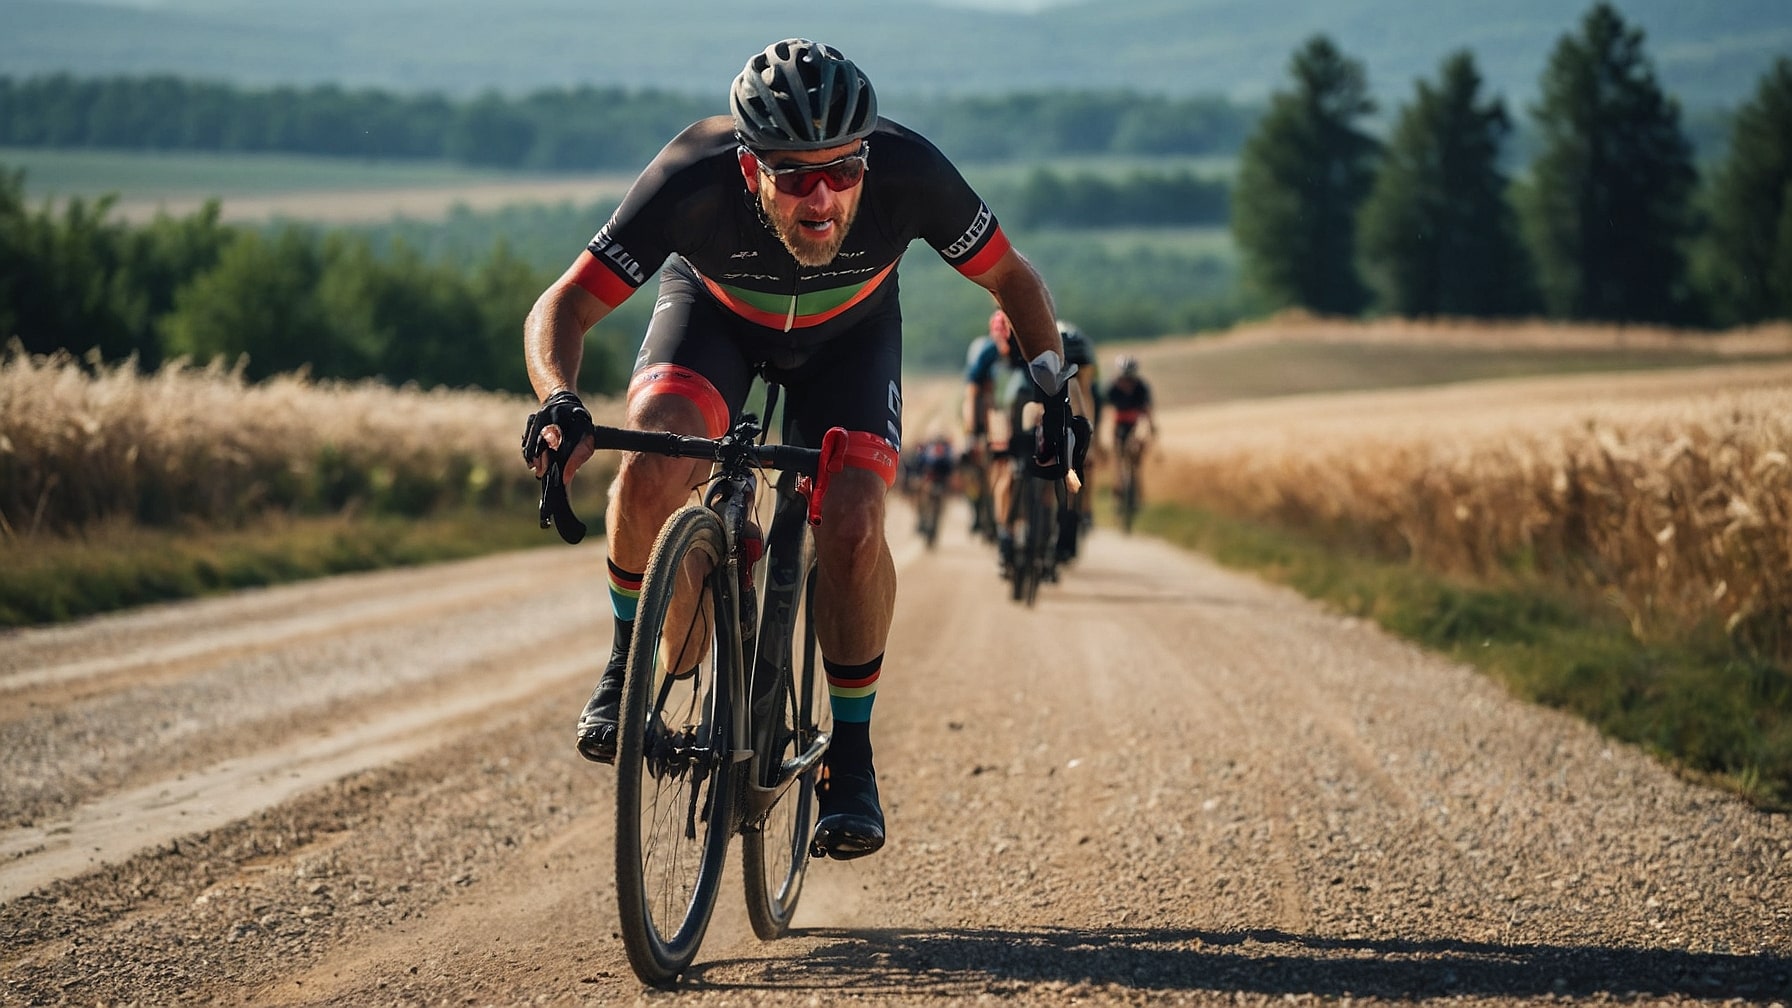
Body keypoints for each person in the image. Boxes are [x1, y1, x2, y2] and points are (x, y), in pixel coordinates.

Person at [520, 38, 1085, 861]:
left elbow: (1012, 279)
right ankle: (623, 665)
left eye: (842, 172)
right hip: (713, 319)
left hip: (849, 338)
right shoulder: (691, 178)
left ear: (866, 159)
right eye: (793, 176)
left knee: (853, 523)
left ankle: (849, 761)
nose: (821, 197)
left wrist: (1052, 388)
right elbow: (565, 302)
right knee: (652, 467)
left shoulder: (911, 171)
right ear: (750, 170)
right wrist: (558, 399)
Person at [989, 312, 1096, 570]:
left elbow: (1079, 407)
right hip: (1019, 412)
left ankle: (1049, 540)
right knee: (1009, 474)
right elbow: (1002, 404)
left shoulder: (1066, 374)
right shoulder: (1014, 367)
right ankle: (1006, 537)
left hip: (1044, 415)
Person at [1103, 354, 1156, 505]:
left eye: (1130, 379)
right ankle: (1118, 485)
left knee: (1136, 456)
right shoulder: (1112, 387)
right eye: (1124, 379)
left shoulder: (1141, 387)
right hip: (1118, 425)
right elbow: (1107, 409)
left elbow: (1147, 410)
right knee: (1118, 457)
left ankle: (1137, 489)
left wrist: (1151, 429)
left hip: (1136, 425)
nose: (1127, 383)